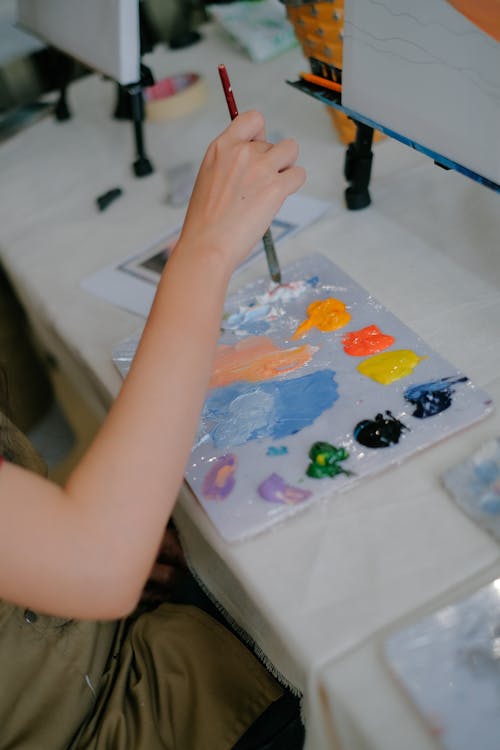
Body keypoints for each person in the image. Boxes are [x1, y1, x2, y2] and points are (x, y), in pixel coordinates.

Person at [0, 110, 306, 749]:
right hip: (103, 719)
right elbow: (97, 561)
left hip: (81, 632)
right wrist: (206, 246)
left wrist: (52, 556)